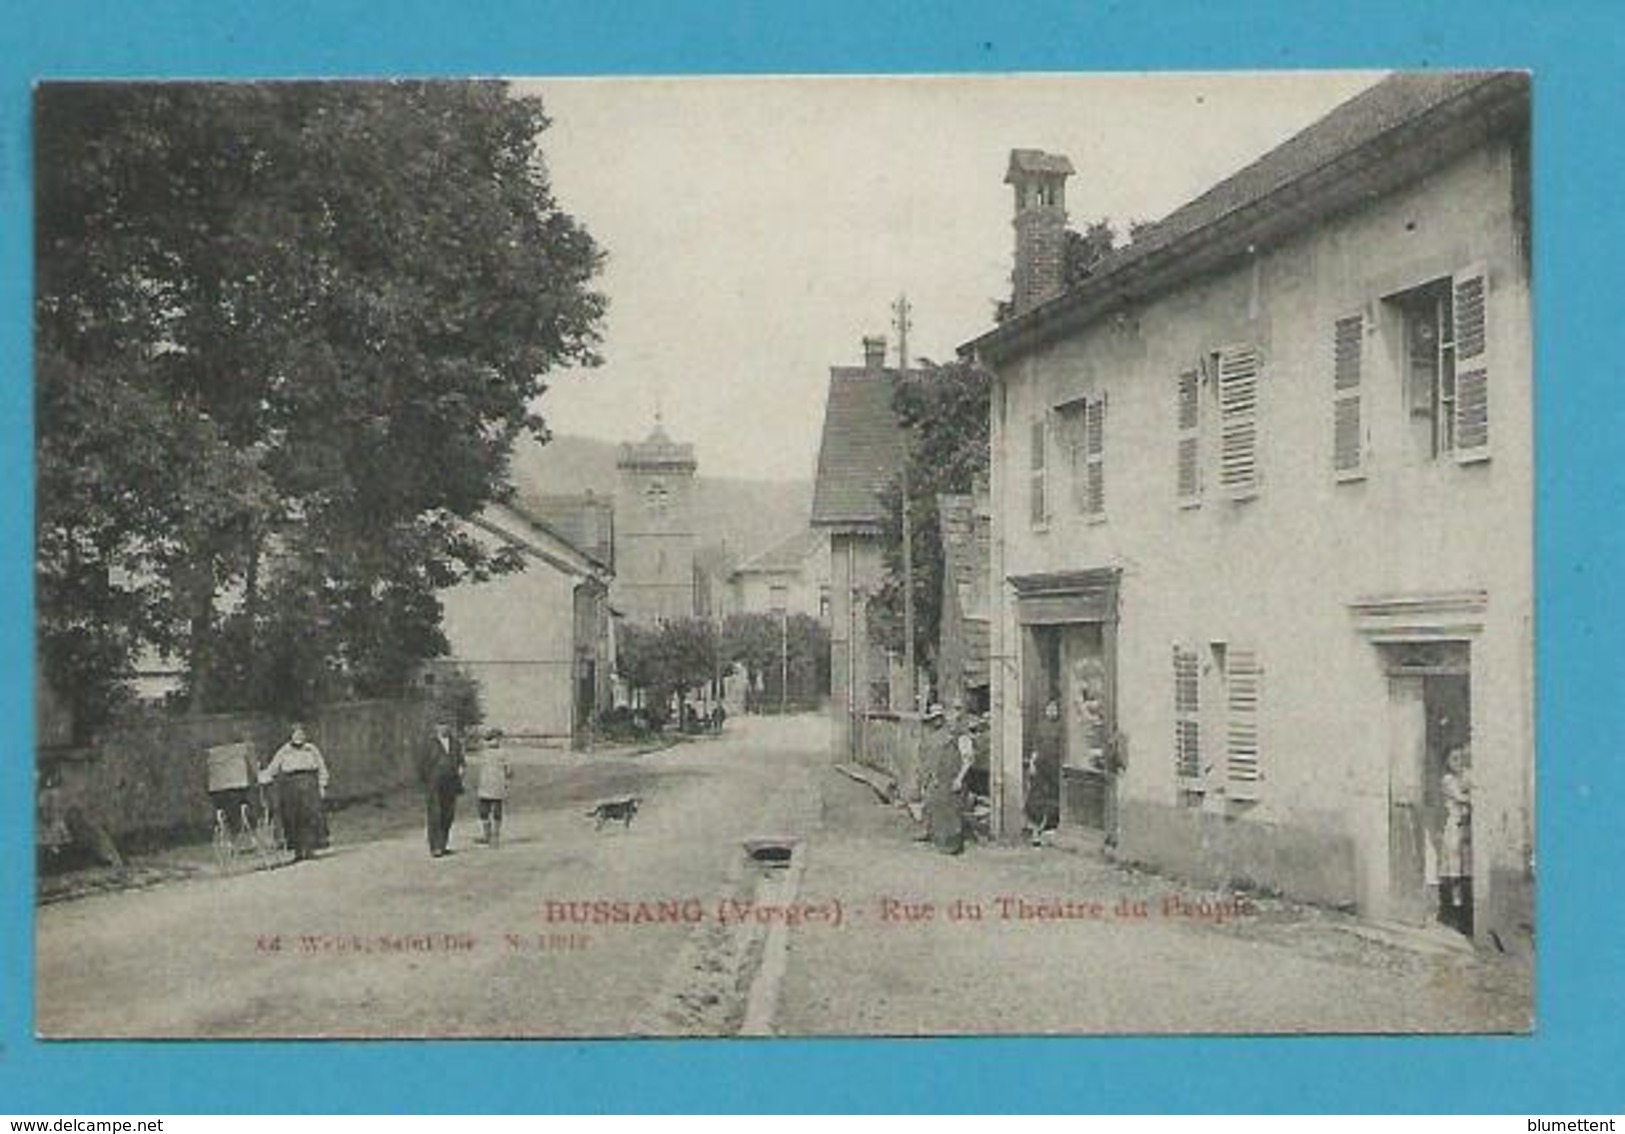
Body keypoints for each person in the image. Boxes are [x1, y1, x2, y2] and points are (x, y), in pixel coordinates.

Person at [260, 723, 330, 862]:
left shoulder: (311, 749)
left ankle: (310, 850)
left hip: (309, 786)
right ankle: (298, 852)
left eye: (301, 734)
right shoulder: (284, 751)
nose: (299, 737)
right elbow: (273, 768)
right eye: (295, 734)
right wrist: (262, 777)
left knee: (310, 817)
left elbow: (322, 767)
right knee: (293, 819)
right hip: (290, 788)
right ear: (290, 736)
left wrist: (322, 785)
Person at [921, 703, 973, 855]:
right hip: (940, 779)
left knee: (953, 810)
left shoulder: (960, 737)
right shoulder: (933, 738)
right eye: (934, 719)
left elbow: (968, 759)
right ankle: (941, 841)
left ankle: (954, 845)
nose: (937, 721)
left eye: (940, 718)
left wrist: (959, 778)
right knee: (938, 808)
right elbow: (930, 760)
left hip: (953, 778)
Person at [1438, 745, 1474, 935]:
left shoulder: (1466, 776)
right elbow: (1462, 798)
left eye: (1461, 758)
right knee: (1454, 872)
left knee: (1466, 870)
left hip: (1467, 829)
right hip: (1454, 827)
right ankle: (1452, 913)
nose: (1458, 763)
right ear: (1447, 762)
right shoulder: (1448, 780)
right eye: (1454, 759)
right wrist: (1470, 792)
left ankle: (1465, 917)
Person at [418, 718, 465, 858]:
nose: (444, 728)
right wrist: (428, 782)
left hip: (451, 783)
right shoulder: (428, 744)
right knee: (434, 814)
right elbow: (422, 765)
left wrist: (462, 770)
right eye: (441, 725)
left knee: (448, 814)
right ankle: (435, 847)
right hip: (434, 784)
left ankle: (443, 845)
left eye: (446, 725)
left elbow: (461, 762)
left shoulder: (456, 743)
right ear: (435, 727)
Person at [1025, 698, 1063, 843]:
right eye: (1049, 709)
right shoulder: (1040, 726)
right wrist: (1032, 764)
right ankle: (1037, 826)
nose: (1051, 711)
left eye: (1054, 709)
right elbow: (1035, 747)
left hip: (1055, 766)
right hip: (1041, 766)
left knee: (1054, 796)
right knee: (1038, 796)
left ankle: (1051, 826)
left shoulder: (1061, 726)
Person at [471, 734, 513, 848]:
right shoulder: (483, 753)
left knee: (496, 811)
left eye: (494, 739)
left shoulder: (504, 753)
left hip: (497, 785)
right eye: (489, 739)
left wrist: (506, 782)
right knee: (483, 811)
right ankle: (487, 835)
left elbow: (509, 771)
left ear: (499, 740)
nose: (492, 742)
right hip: (485, 785)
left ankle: (495, 837)